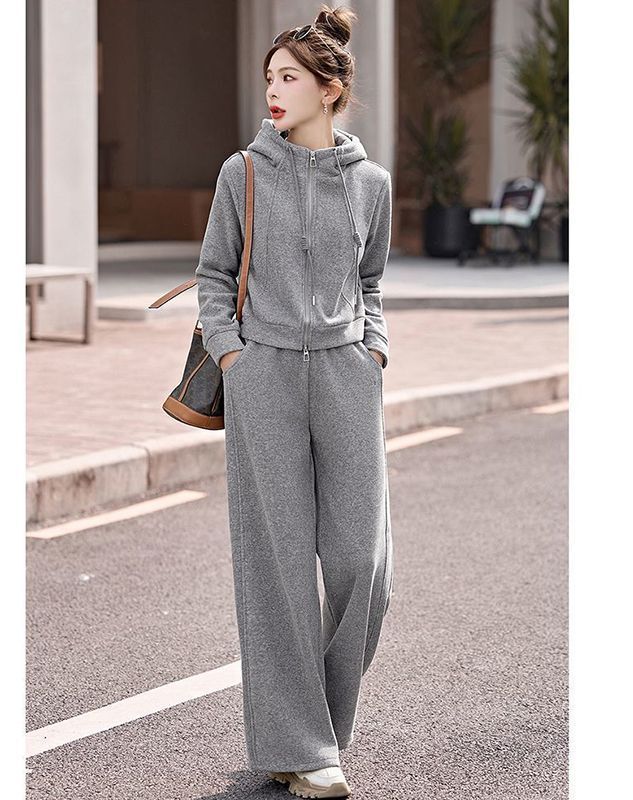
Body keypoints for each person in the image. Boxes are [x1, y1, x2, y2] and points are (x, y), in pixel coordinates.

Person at [195, 5, 393, 797]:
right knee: (276, 567)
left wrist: (373, 348)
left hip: (347, 374)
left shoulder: (370, 184)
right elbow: (214, 274)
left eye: (289, 78)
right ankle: (304, 748)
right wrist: (232, 355)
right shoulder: (243, 173)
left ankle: (316, 733)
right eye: (270, 77)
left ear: (329, 89)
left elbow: (371, 281)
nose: (273, 91)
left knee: (362, 566)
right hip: (265, 376)